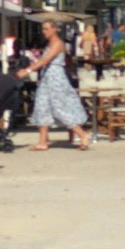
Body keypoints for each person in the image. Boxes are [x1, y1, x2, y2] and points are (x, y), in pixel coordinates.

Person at [29, 16, 90, 152]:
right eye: (43, 29)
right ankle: (42, 142)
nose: (44, 32)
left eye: (47, 29)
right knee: (42, 106)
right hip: (46, 78)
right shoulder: (48, 43)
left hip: (56, 78)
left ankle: (83, 135)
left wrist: (27, 70)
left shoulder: (58, 43)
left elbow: (45, 60)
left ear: (54, 29)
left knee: (60, 107)